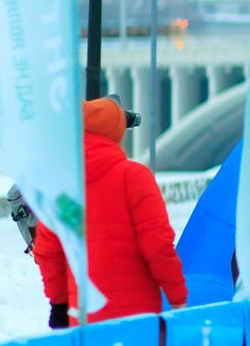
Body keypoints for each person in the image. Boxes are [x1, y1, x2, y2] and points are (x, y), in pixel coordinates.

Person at [34, 97, 187, 324]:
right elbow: (158, 246)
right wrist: (178, 299)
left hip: (82, 321)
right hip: (137, 321)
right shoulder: (134, 178)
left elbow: (48, 252)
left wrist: (59, 305)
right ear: (116, 133)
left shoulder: (60, 188)